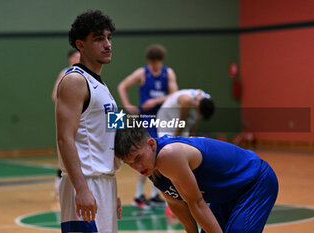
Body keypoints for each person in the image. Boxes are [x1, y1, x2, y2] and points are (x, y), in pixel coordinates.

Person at [115, 126, 278, 233]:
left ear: (151, 144)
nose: (137, 167)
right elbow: (175, 202)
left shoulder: (168, 155)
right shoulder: (149, 164)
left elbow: (196, 203)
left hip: (255, 182)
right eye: (130, 164)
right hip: (227, 193)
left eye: (137, 158)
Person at [55, 10, 121, 233]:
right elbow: (65, 139)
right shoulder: (75, 80)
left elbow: (106, 141)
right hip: (85, 183)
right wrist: (81, 189)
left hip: (104, 183)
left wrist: (114, 190)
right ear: (81, 45)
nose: (107, 44)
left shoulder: (102, 86)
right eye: (99, 39)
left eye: (109, 38)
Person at [118, 44, 178, 209]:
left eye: (157, 63)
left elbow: (175, 93)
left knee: (159, 158)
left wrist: (156, 101)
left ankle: (154, 194)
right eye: (152, 63)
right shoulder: (142, 72)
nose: (154, 66)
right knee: (145, 156)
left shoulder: (168, 73)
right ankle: (138, 195)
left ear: (161, 61)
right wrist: (128, 105)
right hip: (147, 120)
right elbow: (122, 86)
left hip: (163, 120)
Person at [52, 49, 80, 198]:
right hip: (69, 120)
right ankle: (58, 186)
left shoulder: (86, 74)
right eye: (77, 56)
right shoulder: (65, 73)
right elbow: (54, 95)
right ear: (71, 59)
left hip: (82, 120)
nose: (79, 58)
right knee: (66, 154)